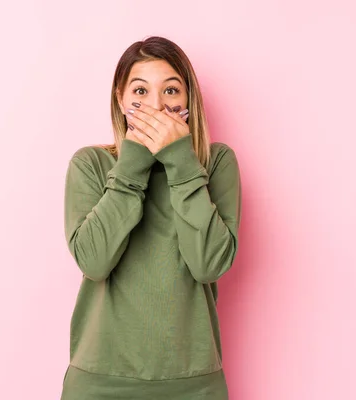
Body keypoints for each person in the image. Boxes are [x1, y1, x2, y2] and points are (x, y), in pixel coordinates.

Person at [60, 36, 242, 400]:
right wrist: (132, 162)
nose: (156, 106)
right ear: (121, 99)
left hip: (193, 385)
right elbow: (95, 261)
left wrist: (180, 160)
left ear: (189, 100)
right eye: (140, 92)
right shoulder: (92, 164)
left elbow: (208, 265)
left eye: (171, 91)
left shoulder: (216, 163)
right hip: (99, 383)